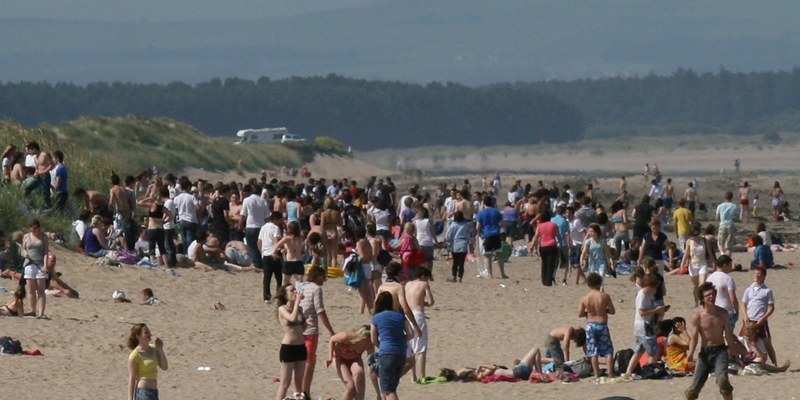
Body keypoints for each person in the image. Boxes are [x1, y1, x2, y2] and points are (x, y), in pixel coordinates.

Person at [685, 282, 747, 400]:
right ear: (702, 299)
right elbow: (694, 337)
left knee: (723, 381)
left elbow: (729, 336)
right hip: (705, 353)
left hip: (720, 351)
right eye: (708, 295)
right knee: (693, 390)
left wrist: (736, 355)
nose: (711, 297)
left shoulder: (722, 313)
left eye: (713, 294)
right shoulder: (697, 316)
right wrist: (691, 353)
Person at [299, 266, 336, 400]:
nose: (325, 280)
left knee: (299, 361)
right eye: (323, 276)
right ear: (317, 276)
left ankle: (300, 391)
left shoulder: (302, 286)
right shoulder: (316, 288)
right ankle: (305, 392)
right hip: (310, 329)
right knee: (310, 361)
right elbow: (320, 310)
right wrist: (331, 331)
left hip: (298, 328)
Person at [622, 274, 669, 379]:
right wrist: (656, 311)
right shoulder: (643, 294)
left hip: (643, 325)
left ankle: (628, 372)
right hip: (644, 325)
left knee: (639, 350)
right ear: (649, 285)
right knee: (654, 351)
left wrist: (660, 311)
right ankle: (649, 371)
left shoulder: (648, 294)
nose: (656, 289)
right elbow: (642, 312)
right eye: (655, 286)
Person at [371, 292, 414, 400]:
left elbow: (373, 339)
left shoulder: (376, 318)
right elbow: (410, 334)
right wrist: (400, 340)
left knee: (388, 391)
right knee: (390, 388)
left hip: (387, 352)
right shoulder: (400, 316)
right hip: (401, 353)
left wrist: (382, 346)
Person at [578, 272, 616, 381]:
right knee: (608, 350)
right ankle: (610, 373)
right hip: (602, 324)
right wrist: (604, 310)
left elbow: (580, 314)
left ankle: (597, 374)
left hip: (590, 325)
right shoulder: (604, 296)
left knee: (593, 351)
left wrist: (589, 313)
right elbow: (613, 311)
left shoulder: (585, 298)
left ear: (589, 284)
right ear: (599, 283)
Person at [325, 325, 376, 400]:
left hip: (355, 360)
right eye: (367, 341)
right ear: (362, 338)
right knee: (351, 387)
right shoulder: (347, 337)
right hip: (339, 359)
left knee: (360, 382)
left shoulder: (369, 344)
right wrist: (329, 358)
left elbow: (370, 362)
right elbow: (332, 339)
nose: (369, 342)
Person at [276, 284, 307, 400]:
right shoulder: (282, 309)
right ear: (285, 295)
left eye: (295, 289)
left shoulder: (299, 309)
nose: (294, 292)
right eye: (291, 290)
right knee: (285, 383)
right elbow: (292, 319)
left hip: (301, 347)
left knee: (299, 382)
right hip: (288, 348)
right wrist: (298, 302)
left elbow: (298, 330)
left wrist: (306, 325)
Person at [740, 266, 777, 366]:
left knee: (767, 342)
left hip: (760, 321)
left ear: (764, 276)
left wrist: (763, 318)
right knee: (745, 340)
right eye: (755, 273)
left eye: (759, 274)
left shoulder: (767, 291)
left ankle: (775, 363)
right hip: (749, 320)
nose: (756, 276)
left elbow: (771, 307)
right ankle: (745, 359)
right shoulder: (748, 289)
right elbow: (743, 304)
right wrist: (745, 316)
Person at [405, 267, 435, 382]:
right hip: (418, 314)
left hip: (407, 315)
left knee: (410, 347)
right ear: (423, 276)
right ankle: (422, 376)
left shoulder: (407, 284)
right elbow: (431, 301)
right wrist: (424, 303)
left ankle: (413, 377)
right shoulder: (423, 284)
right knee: (421, 348)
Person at [127, 323, 168, 400]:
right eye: (146, 332)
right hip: (143, 392)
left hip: (154, 392)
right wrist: (130, 398)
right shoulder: (134, 355)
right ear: (138, 336)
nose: (149, 333)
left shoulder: (154, 348)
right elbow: (132, 379)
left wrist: (160, 349)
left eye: (149, 331)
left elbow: (164, 367)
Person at [680, 221, 716, 306]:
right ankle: (696, 302)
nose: (695, 231)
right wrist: (682, 264)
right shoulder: (689, 241)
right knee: (696, 286)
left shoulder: (704, 240)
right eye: (694, 230)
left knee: (702, 283)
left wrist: (714, 263)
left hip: (703, 263)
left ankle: (703, 301)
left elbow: (710, 252)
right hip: (693, 264)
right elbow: (686, 253)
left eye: (697, 230)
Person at [22, 219, 49, 319]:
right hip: (29, 264)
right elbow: (24, 249)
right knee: (31, 289)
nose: (34, 230)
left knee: (41, 290)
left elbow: (46, 252)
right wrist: (25, 254)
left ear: (39, 227)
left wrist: (45, 265)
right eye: (32, 228)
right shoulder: (26, 236)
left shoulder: (43, 237)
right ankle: (33, 311)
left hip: (40, 264)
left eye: (36, 228)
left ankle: (41, 313)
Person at [476, 195, 507, 279]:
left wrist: (479, 235)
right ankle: (502, 273)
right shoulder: (496, 211)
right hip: (496, 234)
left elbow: (477, 227)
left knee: (488, 255)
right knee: (499, 254)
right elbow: (501, 223)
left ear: (483, 203)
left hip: (487, 235)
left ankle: (490, 274)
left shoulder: (481, 213)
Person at [240, 184, 268, 273]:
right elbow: (267, 217)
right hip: (261, 227)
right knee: (261, 247)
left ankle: (257, 265)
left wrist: (240, 224)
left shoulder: (247, 200)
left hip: (251, 226)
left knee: (252, 247)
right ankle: (263, 264)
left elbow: (243, 215)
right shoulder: (263, 201)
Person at [529, 210, 560, 286]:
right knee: (551, 264)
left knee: (544, 263)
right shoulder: (554, 225)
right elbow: (558, 236)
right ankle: (548, 281)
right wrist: (561, 244)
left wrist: (532, 246)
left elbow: (536, 236)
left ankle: (544, 280)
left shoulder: (540, 225)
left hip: (543, 246)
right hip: (552, 245)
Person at [258, 211, 283, 303]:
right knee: (278, 277)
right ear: (276, 219)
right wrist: (276, 252)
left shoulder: (263, 227)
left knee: (267, 278)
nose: (280, 222)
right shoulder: (276, 228)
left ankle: (266, 297)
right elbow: (277, 241)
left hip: (265, 255)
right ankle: (279, 296)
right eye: (280, 220)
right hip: (273, 254)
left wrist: (262, 252)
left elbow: (259, 242)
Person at [445, 211, 470, 282]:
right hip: (463, 244)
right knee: (461, 263)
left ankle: (454, 277)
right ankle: (460, 278)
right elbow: (468, 234)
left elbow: (449, 236)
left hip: (455, 244)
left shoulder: (453, 225)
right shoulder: (465, 225)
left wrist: (447, 241)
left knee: (455, 262)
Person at [715, 191, 738, 257]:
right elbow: (736, 218)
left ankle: (722, 254)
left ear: (724, 197)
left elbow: (717, 217)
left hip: (722, 224)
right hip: (730, 224)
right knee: (729, 244)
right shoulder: (734, 206)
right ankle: (728, 258)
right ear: (731, 197)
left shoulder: (720, 206)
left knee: (720, 242)